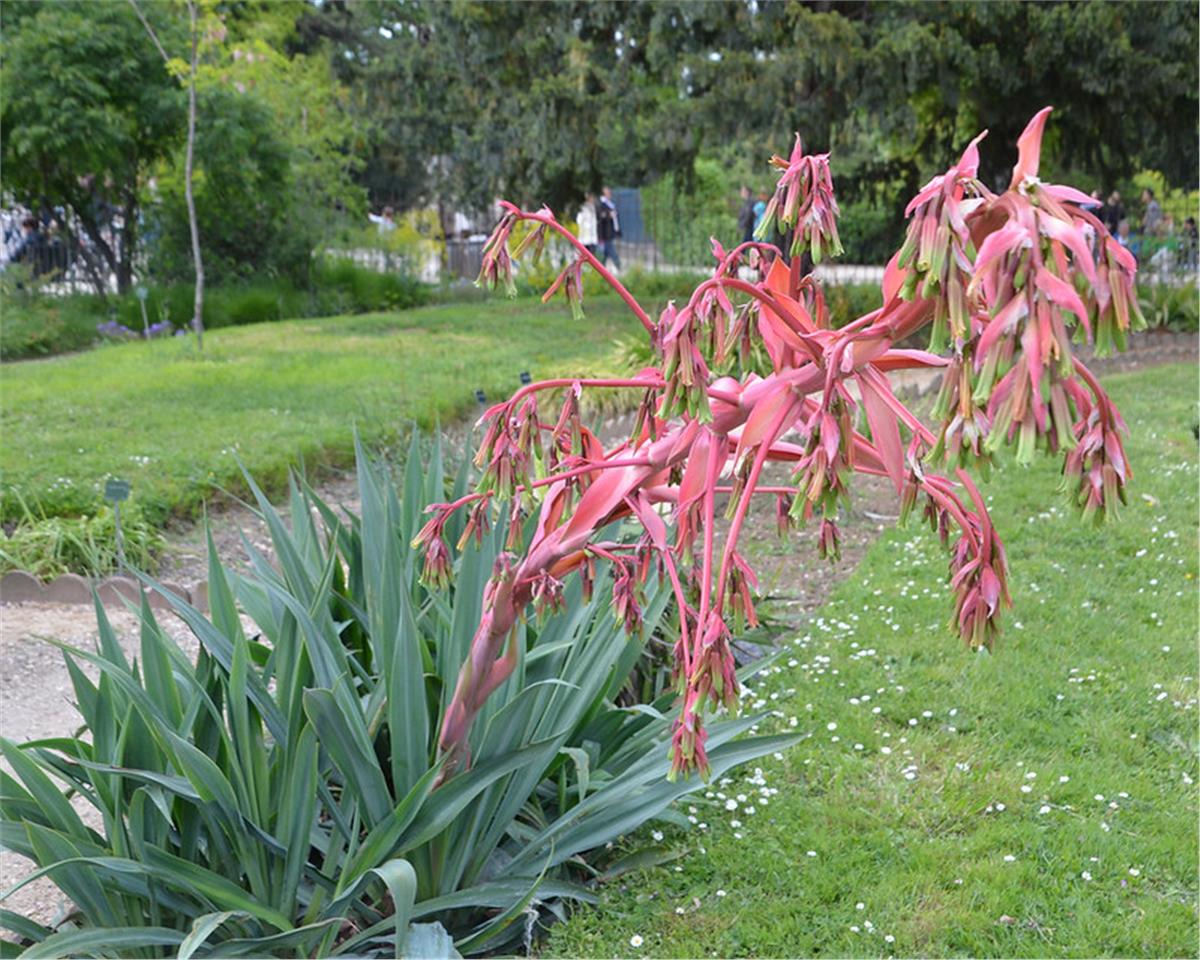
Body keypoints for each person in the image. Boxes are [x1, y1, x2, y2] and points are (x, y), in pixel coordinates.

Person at [597, 187, 621, 270]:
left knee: (605, 253)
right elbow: (600, 216)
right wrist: (608, 215)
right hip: (604, 233)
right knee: (610, 251)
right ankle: (618, 266)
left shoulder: (610, 204)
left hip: (610, 232)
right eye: (608, 193)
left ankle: (601, 269)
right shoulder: (601, 204)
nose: (609, 194)